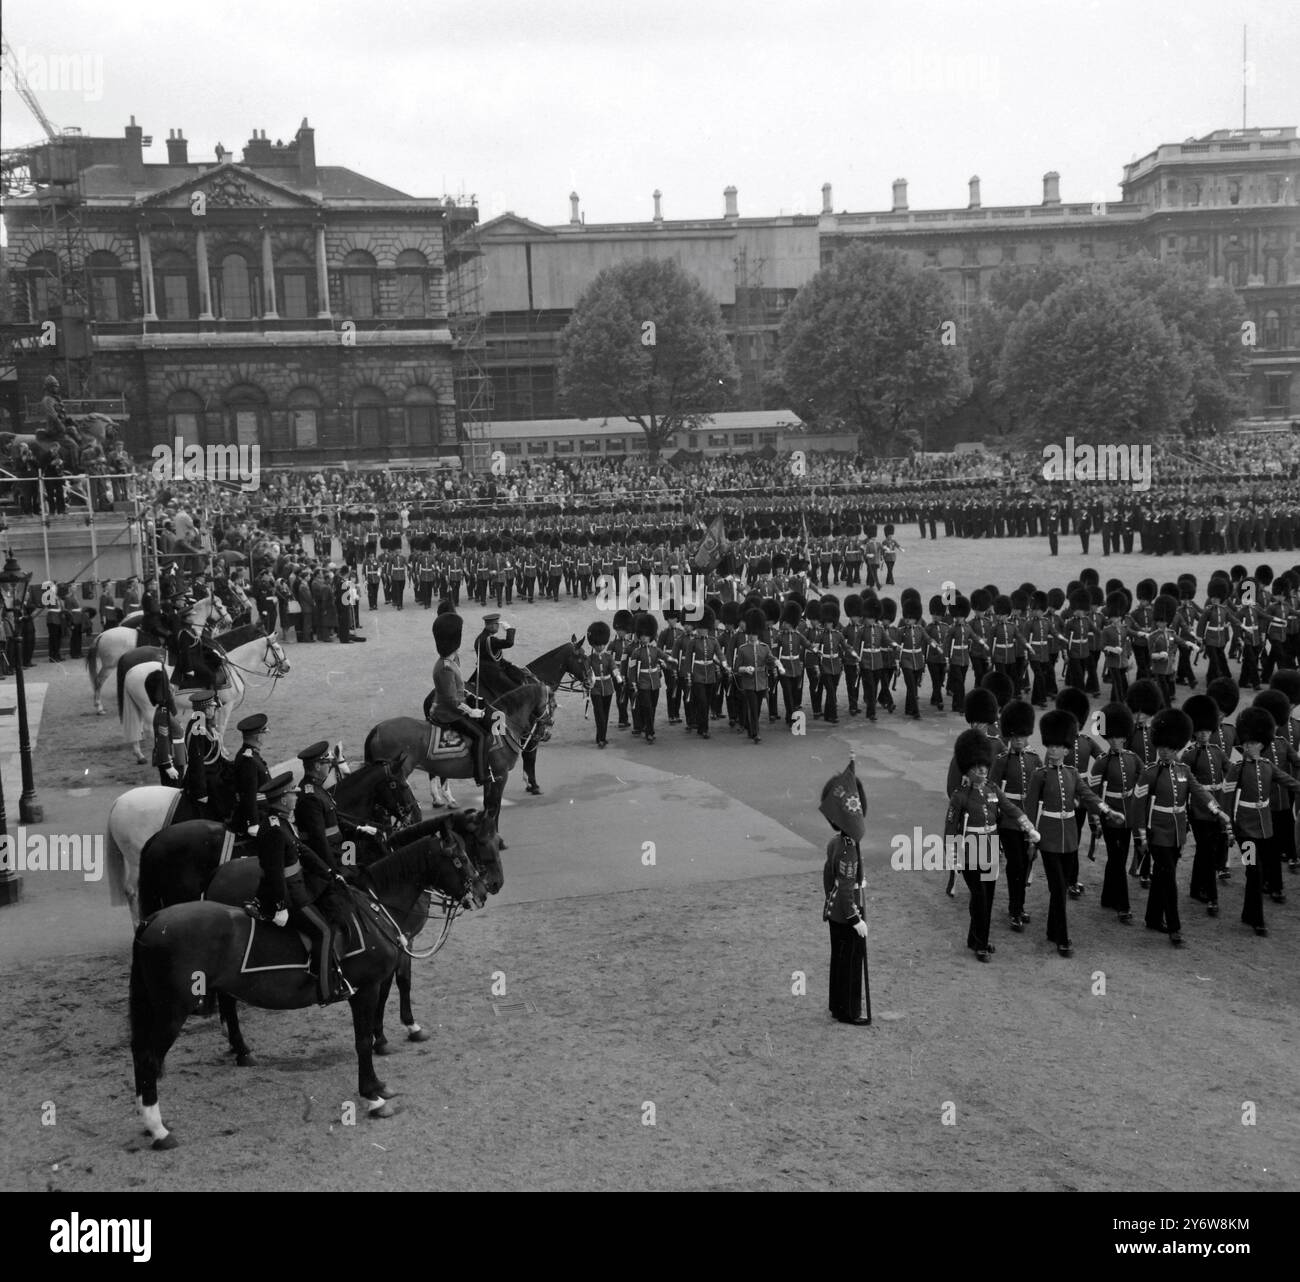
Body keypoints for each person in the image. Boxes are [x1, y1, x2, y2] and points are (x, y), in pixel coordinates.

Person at [244, 772, 355, 1005]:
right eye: (292, 793)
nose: (296, 796)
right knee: (324, 931)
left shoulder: (282, 821)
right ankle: (325, 990)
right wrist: (280, 906)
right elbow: (274, 873)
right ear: (283, 799)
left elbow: (302, 851)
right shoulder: (274, 829)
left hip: (297, 888)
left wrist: (330, 873)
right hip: (289, 896)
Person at [1025, 709, 1124, 957]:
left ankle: (1051, 929)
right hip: (1047, 838)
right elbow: (1029, 810)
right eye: (1051, 746)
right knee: (1059, 888)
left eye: (1059, 747)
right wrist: (1031, 838)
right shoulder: (1040, 776)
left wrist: (1107, 811)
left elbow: (1088, 796)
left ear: (1067, 750)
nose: (1054, 750)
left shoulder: (1072, 775)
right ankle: (1062, 937)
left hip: (1069, 838)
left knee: (1059, 888)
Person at [1133, 708, 1233, 947]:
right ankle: (1174, 927)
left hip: (1177, 832)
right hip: (1157, 833)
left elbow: (1200, 793)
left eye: (1169, 748)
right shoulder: (1149, 773)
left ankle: (1153, 918)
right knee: (1168, 878)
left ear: (1176, 747)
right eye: (1161, 748)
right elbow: (1138, 806)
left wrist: (1218, 811)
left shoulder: (1184, 771)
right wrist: (1140, 835)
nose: (1165, 752)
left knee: (1162, 876)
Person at [945, 729, 1040, 961]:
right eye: (977, 767)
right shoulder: (960, 797)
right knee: (980, 897)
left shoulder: (993, 790)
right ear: (968, 768)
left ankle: (974, 938)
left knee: (987, 897)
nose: (982, 770)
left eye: (984, 766)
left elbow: (1010, 809)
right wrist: (953, 856)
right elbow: (950, 829)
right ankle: (981, 944)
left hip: (990, 850)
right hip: (970, 852)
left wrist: (1028, 827)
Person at [821, 760, 871, 1025]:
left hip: (834, 913)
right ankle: (850, 1012)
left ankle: (837, 1007)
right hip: (845, 914)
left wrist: (853, 885)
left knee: (838, 963)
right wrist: (856, 920)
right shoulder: (849, 848)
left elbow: (829, 879)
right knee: (851, 965)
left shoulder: (836, 842)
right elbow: (844, 892)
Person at [430, 611, 491, 787]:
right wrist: (472, 711)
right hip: (447, 714)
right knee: (480, 735)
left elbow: (459, 687)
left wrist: (472, 697)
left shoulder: (453, 659)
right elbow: (452, 701)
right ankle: (481, 775)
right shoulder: (444, 668)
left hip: (453, 706)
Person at [734, 606, 781, 743]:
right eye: (751, 634)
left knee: (757, 709)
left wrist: (777, 665)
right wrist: (745, 669)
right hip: (749, 683)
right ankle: (756, 733)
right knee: (753, 708)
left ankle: (751, 729)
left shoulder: (764, 647)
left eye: (754, 634)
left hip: (761, 682)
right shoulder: (743, 649)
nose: (752, 636)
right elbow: (737, 667)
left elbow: (770, 661)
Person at [181, 690, 222, 818]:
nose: (213, 710)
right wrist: (201, 791)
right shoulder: (198, 727)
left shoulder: (203, 722)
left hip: (212, 773)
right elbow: (196, 761)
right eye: (210, 707)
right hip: (204, 780)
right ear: (204, 709)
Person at [231, 712, 272, 836]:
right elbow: (248, 794)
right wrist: (253, 823)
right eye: (264, 733)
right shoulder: (248, 760)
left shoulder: (252, 754)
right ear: (258, 737)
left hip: (263, 811)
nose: (266, 736)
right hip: (258, 815)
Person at [584, 620, 620, 748]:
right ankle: (602, 739)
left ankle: (599, 736)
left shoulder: (608, 657)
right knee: (599, 713)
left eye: (602, 644)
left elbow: (614, 668)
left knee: (605, 713)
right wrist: (588, 681)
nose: (600, 647)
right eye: (597, 644)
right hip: (595, 688)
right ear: (593, 644)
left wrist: (618, 677)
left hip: (608, 688)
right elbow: (587, 672)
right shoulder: (589, 659)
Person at [147, 669, 185, 786]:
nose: (171, 688)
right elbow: (162, 741)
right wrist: (168, 765)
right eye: (168, 686)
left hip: (177, 760)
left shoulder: (166, 711)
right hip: (172, 762)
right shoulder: (163, 714)